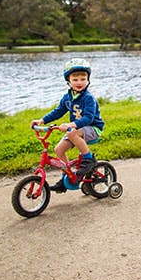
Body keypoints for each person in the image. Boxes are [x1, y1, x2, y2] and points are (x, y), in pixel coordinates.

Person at [30, 58, 105, 193]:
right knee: (59, 150)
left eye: (83, 79)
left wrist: (71, 124)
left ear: (88, 79)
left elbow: (89, 118)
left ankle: (88, 158)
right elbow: (58, 111)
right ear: (68, 81)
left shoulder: (88, 98)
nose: (79, 82)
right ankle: (68, 176)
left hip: (93, 128)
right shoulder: (67, 97)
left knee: (71, 133)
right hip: (75, 130)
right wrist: (42, 121)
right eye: (75, 80)